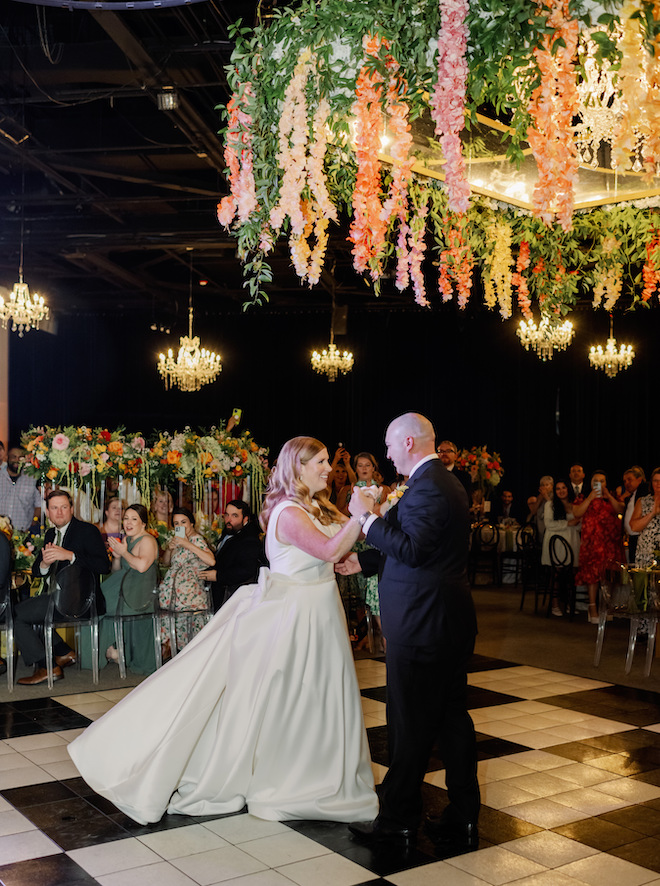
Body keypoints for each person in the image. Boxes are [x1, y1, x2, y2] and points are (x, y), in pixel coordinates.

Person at [68, 436, 378, 826]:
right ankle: (287, 776)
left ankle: (317, 770)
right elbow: (330, 549)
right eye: (320, 461)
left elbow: (340, 550)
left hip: (319, 608)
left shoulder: (314, 505)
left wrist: (369, 523)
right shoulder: (286, 512)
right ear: (297, 467)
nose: (328, 468)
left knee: (316, 694)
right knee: (290, 694)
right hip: (297, 614)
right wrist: (359, 516)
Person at [337, 413, 479, 853]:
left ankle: (397, 823)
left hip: (423, 624)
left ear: (411, 442)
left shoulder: (429, 486)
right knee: (452, 721)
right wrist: (369, 561)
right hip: (443, 619)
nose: (386, 453)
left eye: (391, 445)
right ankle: (463, 816)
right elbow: (428, 549)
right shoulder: (440, 481)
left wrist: (366, 521)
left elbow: (414, 550)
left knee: (408, 724)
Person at [15, 490, 110, 685]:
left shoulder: (87, 530)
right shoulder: (51, 533)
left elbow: (103, 566)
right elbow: (36, 571)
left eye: (64, 507)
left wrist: (71, 556)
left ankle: (47, 667)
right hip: (57, 598)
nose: (59, 512)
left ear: (72, 509)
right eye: (54, 508)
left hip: (81, 600)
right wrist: (44, 565)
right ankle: (64, 652)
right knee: (27, 612)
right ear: (47, 512)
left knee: (17, 615)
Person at [91, 503, 160, 674]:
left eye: (134, 519)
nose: (128, 523)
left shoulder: (148, 540)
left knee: (96, 605)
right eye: (126, 519)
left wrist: (124, 553)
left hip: (138, 594)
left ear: (143, 523)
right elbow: (118, 570)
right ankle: (111, 650)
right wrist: (116, 557)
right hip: (124, 588)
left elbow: (142, 566)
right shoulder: (127, 540)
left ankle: (109, 649)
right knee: (92, 601)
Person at [159, 506, 213, 655]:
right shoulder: (177, 540)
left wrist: (187, 544)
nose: (180, 526)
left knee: (188, 628)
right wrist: (170, 549)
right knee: (174, 624)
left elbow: (211, 560)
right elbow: (166, 562)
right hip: (172, 591)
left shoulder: (196, 539)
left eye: (183, 522)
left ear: (191, 524)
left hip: (189, 593)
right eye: (176, 523)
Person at [573, 471, 624, 624]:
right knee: (592, 575)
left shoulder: (613, 497)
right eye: (596, 481)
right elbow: (577, 513)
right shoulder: (583, 497)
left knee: (610, 575)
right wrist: (590, 498)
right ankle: (592, 607)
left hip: (610, 542)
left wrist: (608, 496)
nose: (599, 483)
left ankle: (606, 605)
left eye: (602, 481)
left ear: (606, 483)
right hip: (592, 544)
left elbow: (621, 510)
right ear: (591, 483)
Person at [198, 500, 266, 611]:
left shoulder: (249, 540)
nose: (229, 520)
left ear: (245, 519)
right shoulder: (229, 532)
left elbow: (247, 570)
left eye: (234, 516)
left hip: (234, 598)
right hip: (222, 595)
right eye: (227, 515)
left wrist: (218, 576)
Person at [0, 446, 41, 531]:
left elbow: (39, 505)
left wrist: (33, 523)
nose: (17, 460)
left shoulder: (32, 478)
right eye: (13, 457)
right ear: (7, 457)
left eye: (20, 457)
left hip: (23, 533)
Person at [630, 467, 660, 567]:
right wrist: (652, 513)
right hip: (646, 552)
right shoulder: (642, 501)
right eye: (655, 480)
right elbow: (634, 527)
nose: (658, 484)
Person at [621, 466, 648, 563]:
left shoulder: (644, 492)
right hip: (632, 539)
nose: (627, 483)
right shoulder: (631, 496)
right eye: (624, 481)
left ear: (639, 479)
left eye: (629, 480)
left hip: (642, 538)